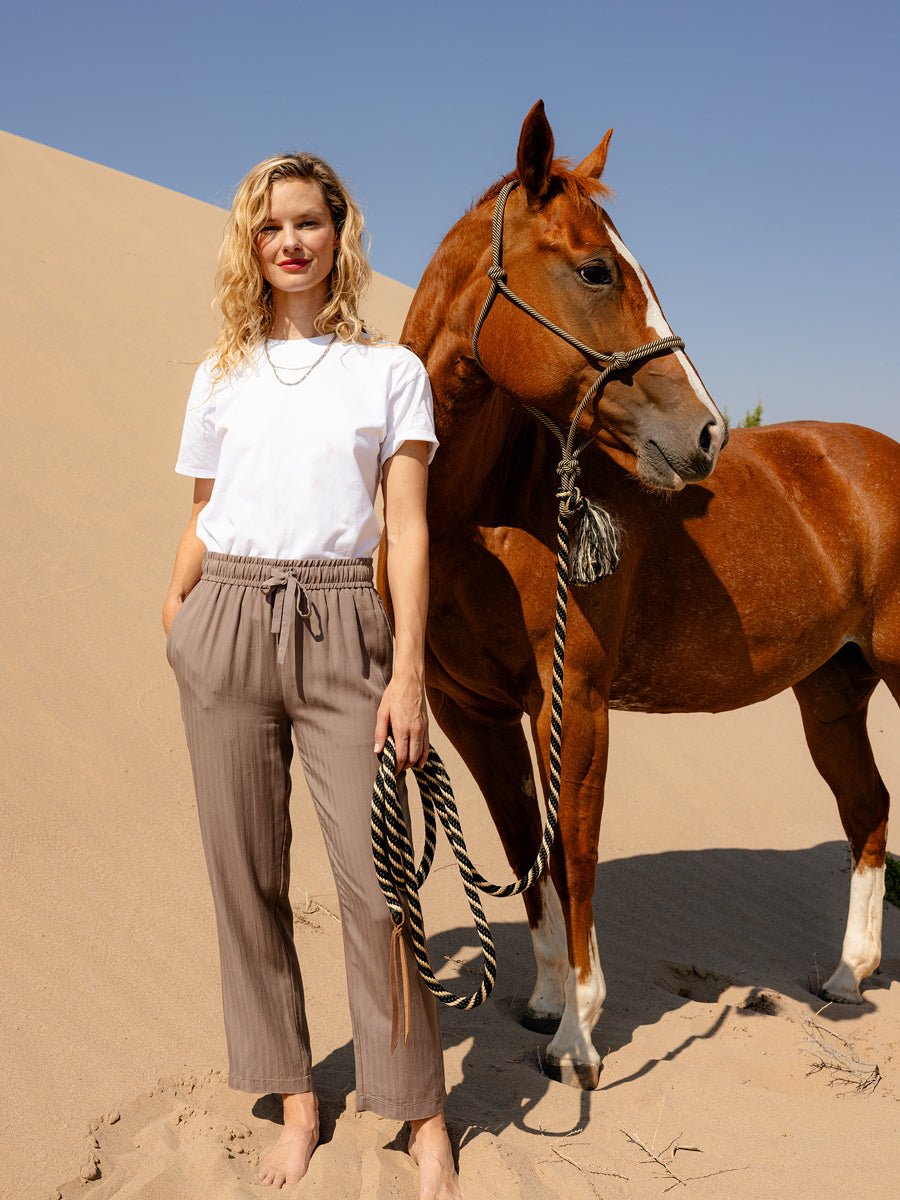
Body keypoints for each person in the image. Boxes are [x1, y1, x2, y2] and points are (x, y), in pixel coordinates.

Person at [162, 152, 461, 1198]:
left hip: (345, 626)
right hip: (227, 617)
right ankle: (294, 1095)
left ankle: (420, 1108)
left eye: (307, 222)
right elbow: (203, 511)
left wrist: (409, 671)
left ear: (341, 232)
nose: (289, 242)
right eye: (268, 227)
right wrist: (179, 612)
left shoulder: (390, 374)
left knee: (379, 884)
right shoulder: (220, 373)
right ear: (252, 245)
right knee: (246, 880)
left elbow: (410, 532)